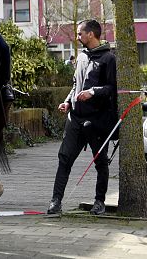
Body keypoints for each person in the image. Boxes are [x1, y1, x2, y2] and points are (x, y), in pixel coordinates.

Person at [47, 20, 116, 216]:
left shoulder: (109, 59)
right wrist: (68, 102)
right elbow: (75, 85)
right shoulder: (82, 56)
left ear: (91, 34)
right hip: (75, 119)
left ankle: (99, 201)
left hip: (97, 120)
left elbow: (112, 88)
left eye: (80, 34)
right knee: (64, 159)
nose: (77, 37)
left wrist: (92, 92)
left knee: (101, 162)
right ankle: (55, 201)